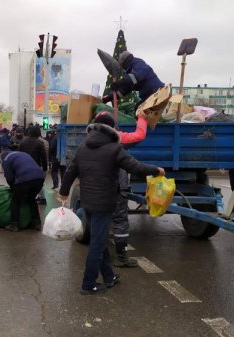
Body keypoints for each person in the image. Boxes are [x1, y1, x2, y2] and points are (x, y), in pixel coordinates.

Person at [58, 116, 164, 295]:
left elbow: (71, 170)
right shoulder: (115, 149)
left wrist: (64, 190)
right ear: (113, 129)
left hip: (88, 202)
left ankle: (109, 276)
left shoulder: (83, 147)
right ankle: (88, 284)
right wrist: (156, 170)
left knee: (98, 240)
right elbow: (135, 167)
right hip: (104, 203)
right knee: (97, 245)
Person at [93, 111, 150, 267]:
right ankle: (121, 257)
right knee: (120, 220)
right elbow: (139, 136)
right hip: (116, 186)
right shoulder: (118, 137)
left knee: (98, 219)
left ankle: (97, 256)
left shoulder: (89, 140)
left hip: (96, 187)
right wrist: (142, 119)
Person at [1, 151, 45, 232]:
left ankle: (14, 224)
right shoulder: (23, 154)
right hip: (40, 177)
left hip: (24, 179)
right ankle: (36, 223)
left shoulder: (6, 160)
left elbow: (9, 177)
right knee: (31, 199)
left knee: (16, 201)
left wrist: (13, 188)